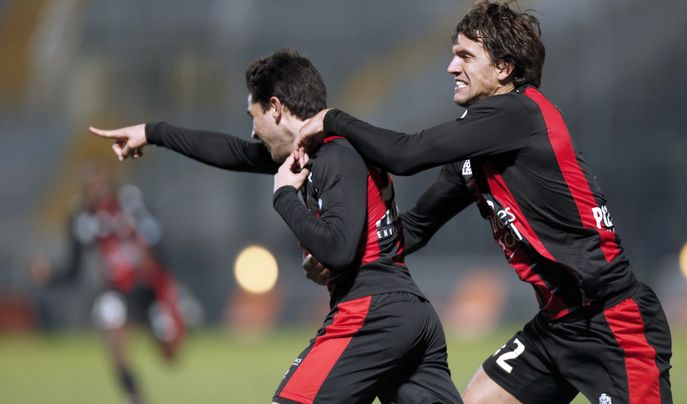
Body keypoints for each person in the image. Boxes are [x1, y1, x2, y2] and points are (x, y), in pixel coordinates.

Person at [295, 2, 672, 403]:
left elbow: (405, 155)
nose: (451, 68)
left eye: (465, 56)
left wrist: (334, 119)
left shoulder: (518, 112)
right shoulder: (478, 145)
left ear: (504, 68)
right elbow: (416, 227)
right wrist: (345, 256)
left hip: (613, 321)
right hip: (557, 325)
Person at [91, 49, 462, 404]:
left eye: (254, 117)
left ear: (276, 108)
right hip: (404, 312)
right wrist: (152, 132)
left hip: (371, 312)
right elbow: (233, 152)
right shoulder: (315, 154)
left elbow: (338, 248)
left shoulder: (335, 153)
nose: (253, 133)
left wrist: (283, 196)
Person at [29, 161, 185, 404]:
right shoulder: (81, 217)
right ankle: (134, 396)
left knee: (170, 353)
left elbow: (157, 239)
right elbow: (74, 268)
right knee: (114, 341)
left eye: (100, 181)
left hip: (148, 285)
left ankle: (170, 322)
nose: (97, 188)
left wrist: (160, 272)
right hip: (117, 289)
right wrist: (50, 274)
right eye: (91, 184)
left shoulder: (131, 203)